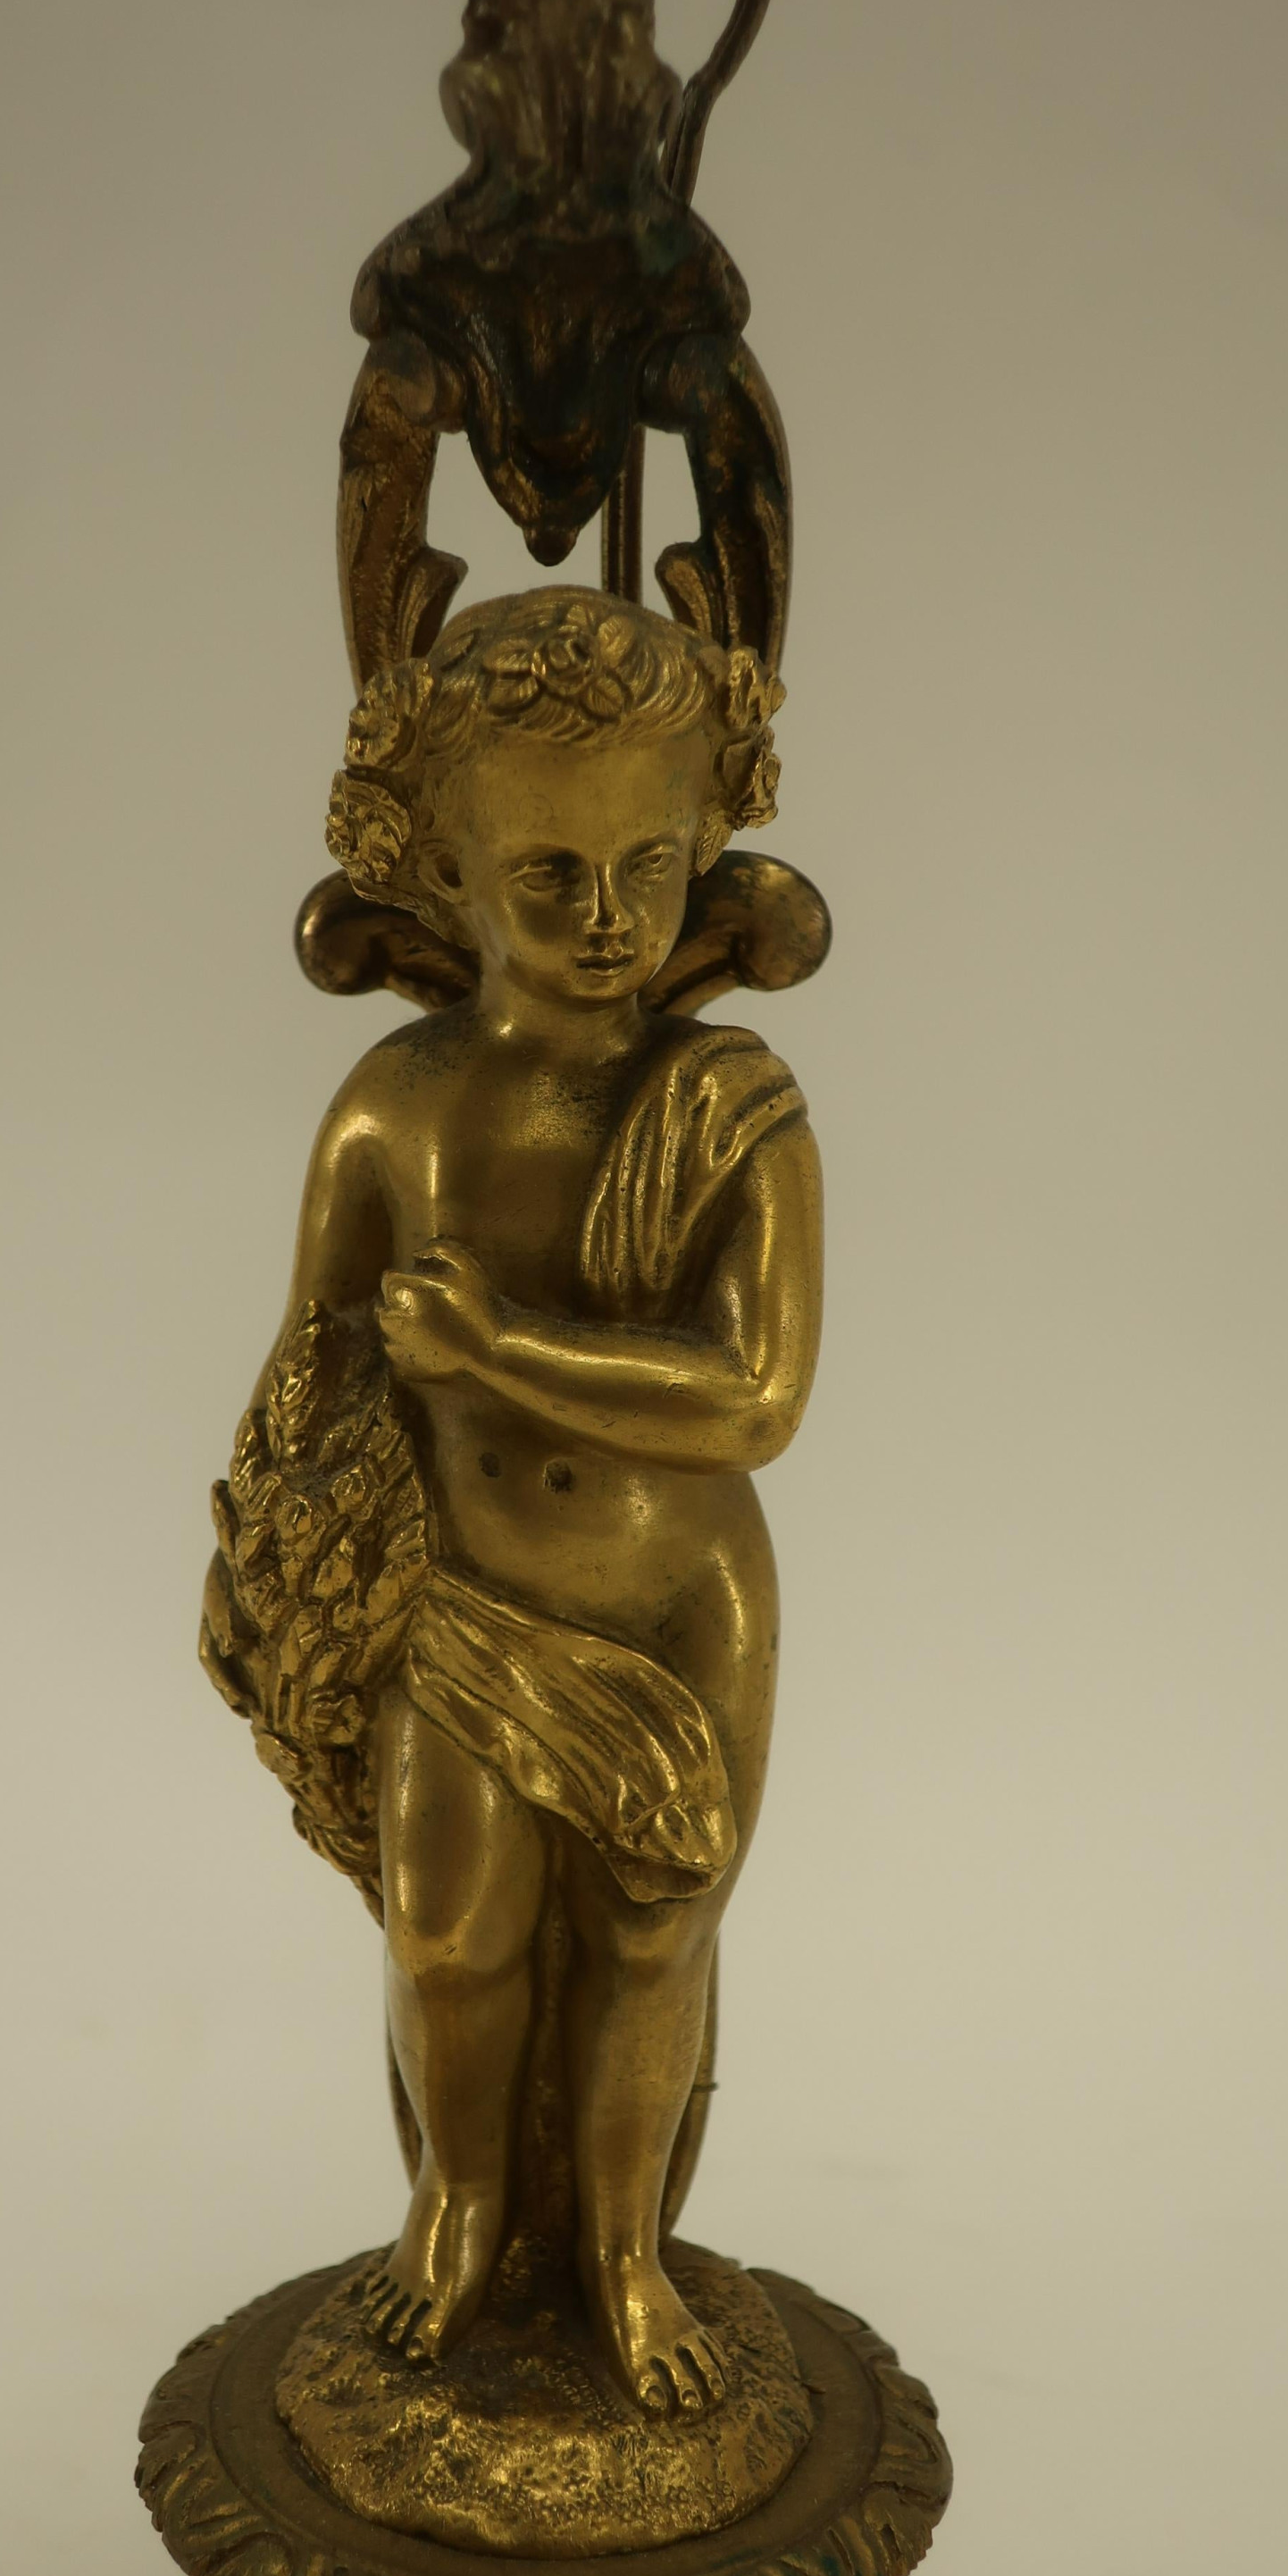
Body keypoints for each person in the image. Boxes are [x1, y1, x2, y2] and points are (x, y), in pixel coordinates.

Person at [205, 585, 823, 2419]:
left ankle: (626, 2255)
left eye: (650, 865)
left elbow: (756, 1396)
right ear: (448, 877)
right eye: (550, 876)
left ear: (705, 845)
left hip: (676, 1604)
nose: (611, 917)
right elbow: (313, 1363)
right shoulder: (393, 1108)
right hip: (455, 1593)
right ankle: (459, 2207)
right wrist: (274, 1566)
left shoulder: (734, 1105)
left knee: (652, 1929)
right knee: (448, 1933)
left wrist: (501, 1350)